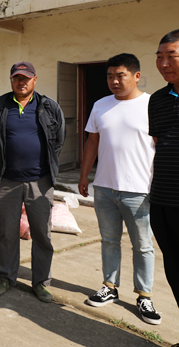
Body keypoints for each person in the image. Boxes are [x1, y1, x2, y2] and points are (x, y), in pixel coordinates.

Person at [78, 54, 161, 324]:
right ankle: (110, 287)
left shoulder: (152, 105)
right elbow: (92, 142)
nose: (114, 81)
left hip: (140, 190)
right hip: (104, 187)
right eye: (110, 76)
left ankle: (144, 296)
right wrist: (84, 176)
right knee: (109, 241)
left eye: (120, 75)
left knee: (143, 246)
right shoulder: (100, 105)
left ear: (136, 76)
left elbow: (161, 146)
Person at [0, 61, 65, 303]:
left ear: (35, 80)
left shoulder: (48, 106)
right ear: (11, 80)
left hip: (40, 182)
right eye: (17, 78)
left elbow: (58, 140)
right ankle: (5, 276)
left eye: (26, 78)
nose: (21, 82)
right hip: (7, 181)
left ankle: (41, 281)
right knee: (7, 233)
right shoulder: (1, 106)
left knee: (41, 234)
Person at [149, 29, 179, 313]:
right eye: (159, 57)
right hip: (161, 201)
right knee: (173, 266)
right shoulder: (157, 100)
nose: (164, 64)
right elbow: (160, 143)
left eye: (172, 56)